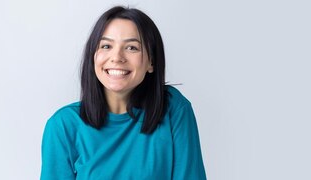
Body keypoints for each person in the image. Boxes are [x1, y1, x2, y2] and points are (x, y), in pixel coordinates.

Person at [41, 6, 206, 180]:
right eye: (106, 46)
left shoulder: (173, 108)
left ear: (151, 61)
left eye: (132, 48)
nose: (117, 57)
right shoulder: (63, 125)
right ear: (93, 57)